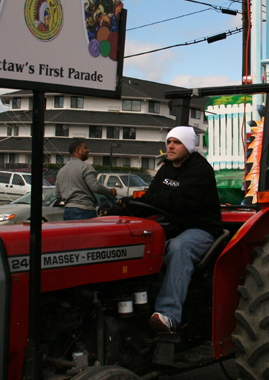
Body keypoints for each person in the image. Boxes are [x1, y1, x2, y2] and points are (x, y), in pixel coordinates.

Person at [111, 126, 222, 333]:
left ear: (189, 145)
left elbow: (178, 200)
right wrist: (119, 209)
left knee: (179, 247)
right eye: (169, 141)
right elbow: (151, 201)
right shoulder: (165, 169)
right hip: (171, 227)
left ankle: (168, 315)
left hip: (200, 230)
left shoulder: (200, 170)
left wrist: (139, 202)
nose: (170, 146)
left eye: (177, 142)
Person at [55, 140, 117, 220]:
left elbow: (57, 195)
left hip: (68, 211)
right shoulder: (85, 167)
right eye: (85, 148)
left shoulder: (61, 171)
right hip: (85, 211)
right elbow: (95, 187)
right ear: (78, 151)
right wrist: (110, 192)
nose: (88, 150)